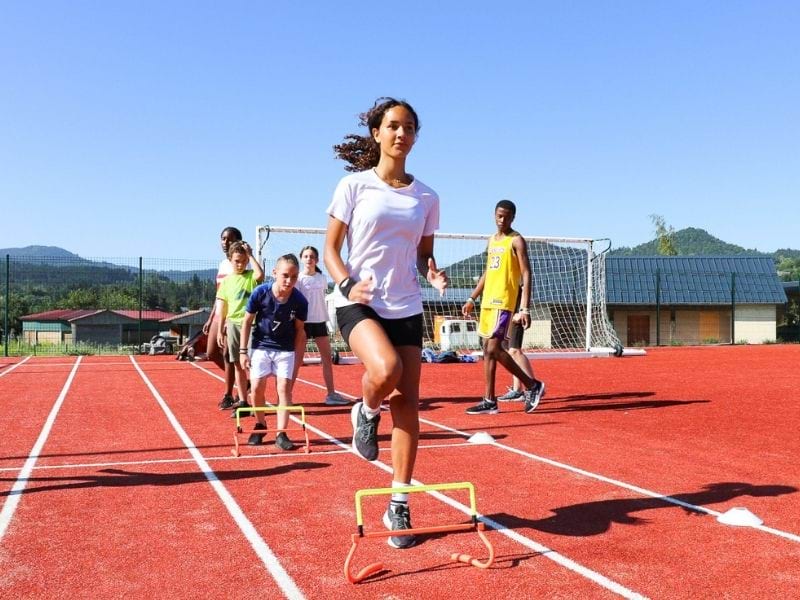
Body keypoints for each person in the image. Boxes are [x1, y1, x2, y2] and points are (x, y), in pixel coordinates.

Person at [324, 97, 448, 549]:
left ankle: (399, 501)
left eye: (410, 128)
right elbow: (333, 250)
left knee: (409, 404)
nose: (402, 134)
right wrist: (348, 283)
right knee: (385, 371)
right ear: (377, 133)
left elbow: (423, 251)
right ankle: (365, 410)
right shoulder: (353, 187)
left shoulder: (427, 196)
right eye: (394, 126)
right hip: (358, 299)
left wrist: (432, 271)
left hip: (407, 304)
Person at [461, 199, 545, 415]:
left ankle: (533, 385)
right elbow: (488, 272)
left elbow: (526, 273)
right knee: (486, 352)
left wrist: (524, 308)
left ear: (513, 218)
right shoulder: (492, 241)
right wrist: (472, 298)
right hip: (487, 302)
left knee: (494, 349)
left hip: (505, 302)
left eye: (507, 216)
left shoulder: (516, 241)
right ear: (494, 215)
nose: (502, 220)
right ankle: (489, 400)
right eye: (499, 215)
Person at [239, 254, 308, 451]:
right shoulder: (260, 293)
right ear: (275, 273)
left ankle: (281, 432)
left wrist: (297, 356)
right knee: (258, 387)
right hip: (261, 346)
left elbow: (300, 330)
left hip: (285, 349)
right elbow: (246, 322)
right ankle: (260, 424)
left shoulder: (300, 301)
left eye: (294, 277)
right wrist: (243, 352)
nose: (289, 280)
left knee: (284, 389)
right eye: (285, 275)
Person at [294, 245, 348, 406]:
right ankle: (286, 395)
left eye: (312, 256)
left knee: (327, 358)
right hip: (303, 323)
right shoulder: (298, 279)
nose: (309, 259)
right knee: (297, 360)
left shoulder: (322, 278)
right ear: (301, 259)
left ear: (316, 260)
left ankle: (331, 394)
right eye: (306, 256)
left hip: (319, 322)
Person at [215, 241, 265, 414]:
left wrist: (250, 254)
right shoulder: (226, 282)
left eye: (243, 261)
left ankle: (256, 400)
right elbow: (222, 308)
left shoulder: (251, 276)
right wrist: (221, 329)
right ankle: (243, 401)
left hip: (250, 325)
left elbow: (260, 275)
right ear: (230, 260)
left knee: (251, 364)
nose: (241, 264)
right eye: (237, 261)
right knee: (237, 363)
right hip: (233, 325)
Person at [203, 226, 244, 410]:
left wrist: (229, 318)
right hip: (219, 313)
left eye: (229, 238)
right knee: (212, 352)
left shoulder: (241, 263)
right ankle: (242, 382)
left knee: (228, 355)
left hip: (233, 316)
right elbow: (220, 294)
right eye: (223, 238)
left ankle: (229, 394)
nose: (225, 242)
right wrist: (211, 317)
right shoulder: (222, 264)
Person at [496, 309, 537, 402]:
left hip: (516, 312)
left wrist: (524, 310)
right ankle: (517, 390)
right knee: (507, 349)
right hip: (507, 311)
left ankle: (534, 387)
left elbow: (526, 293)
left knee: (515, 351)